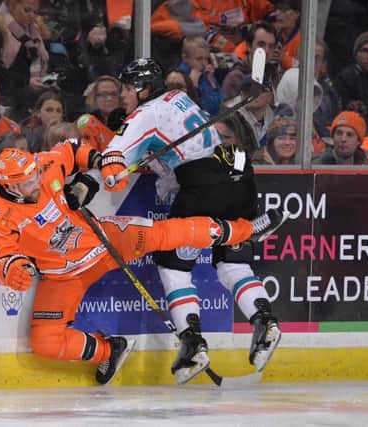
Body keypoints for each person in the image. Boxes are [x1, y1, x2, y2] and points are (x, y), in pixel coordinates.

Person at [0, 142, 287, 385]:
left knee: (167, 234)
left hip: (103, 241)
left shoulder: (45, 165)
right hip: (62, 277)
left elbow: (75, 150)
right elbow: (0, 259)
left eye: (35, 174)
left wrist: (95, 171)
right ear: (10, 187)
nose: (35, 181)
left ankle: (246, 230)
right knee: (45, 341)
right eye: (26, 182)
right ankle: (110, 350)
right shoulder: (0, 217)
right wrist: (13, 271)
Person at [100, 58, 287, 384]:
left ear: (143, 89)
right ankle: (265, 319)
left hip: (203, 184)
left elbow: (113, 158)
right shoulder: (178, 97)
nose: (123, 96)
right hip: (240, 173)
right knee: (231, 262)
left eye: (127, 89)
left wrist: (111, 173)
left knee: (173, 266)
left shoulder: (144, 114)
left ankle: (192, 343)